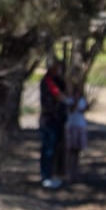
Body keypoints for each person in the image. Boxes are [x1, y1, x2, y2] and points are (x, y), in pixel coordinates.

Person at [38, 60, 68, 189]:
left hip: (58, 119)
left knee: (56, 148)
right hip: (49, 119)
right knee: (48, 148)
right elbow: (59, 96)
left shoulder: (59, 81)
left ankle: (53, 174)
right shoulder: (48, 81)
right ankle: (46, 175)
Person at [62, 76, 90, 185]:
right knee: (70, 152)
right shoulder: (69, 101)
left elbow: (84, 110)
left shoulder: (82, 101)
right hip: (71, 127)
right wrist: (75, 102)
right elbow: (71, 110)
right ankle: (69, 173)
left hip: (80, 126)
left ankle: (75, 173)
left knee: (77, 152)